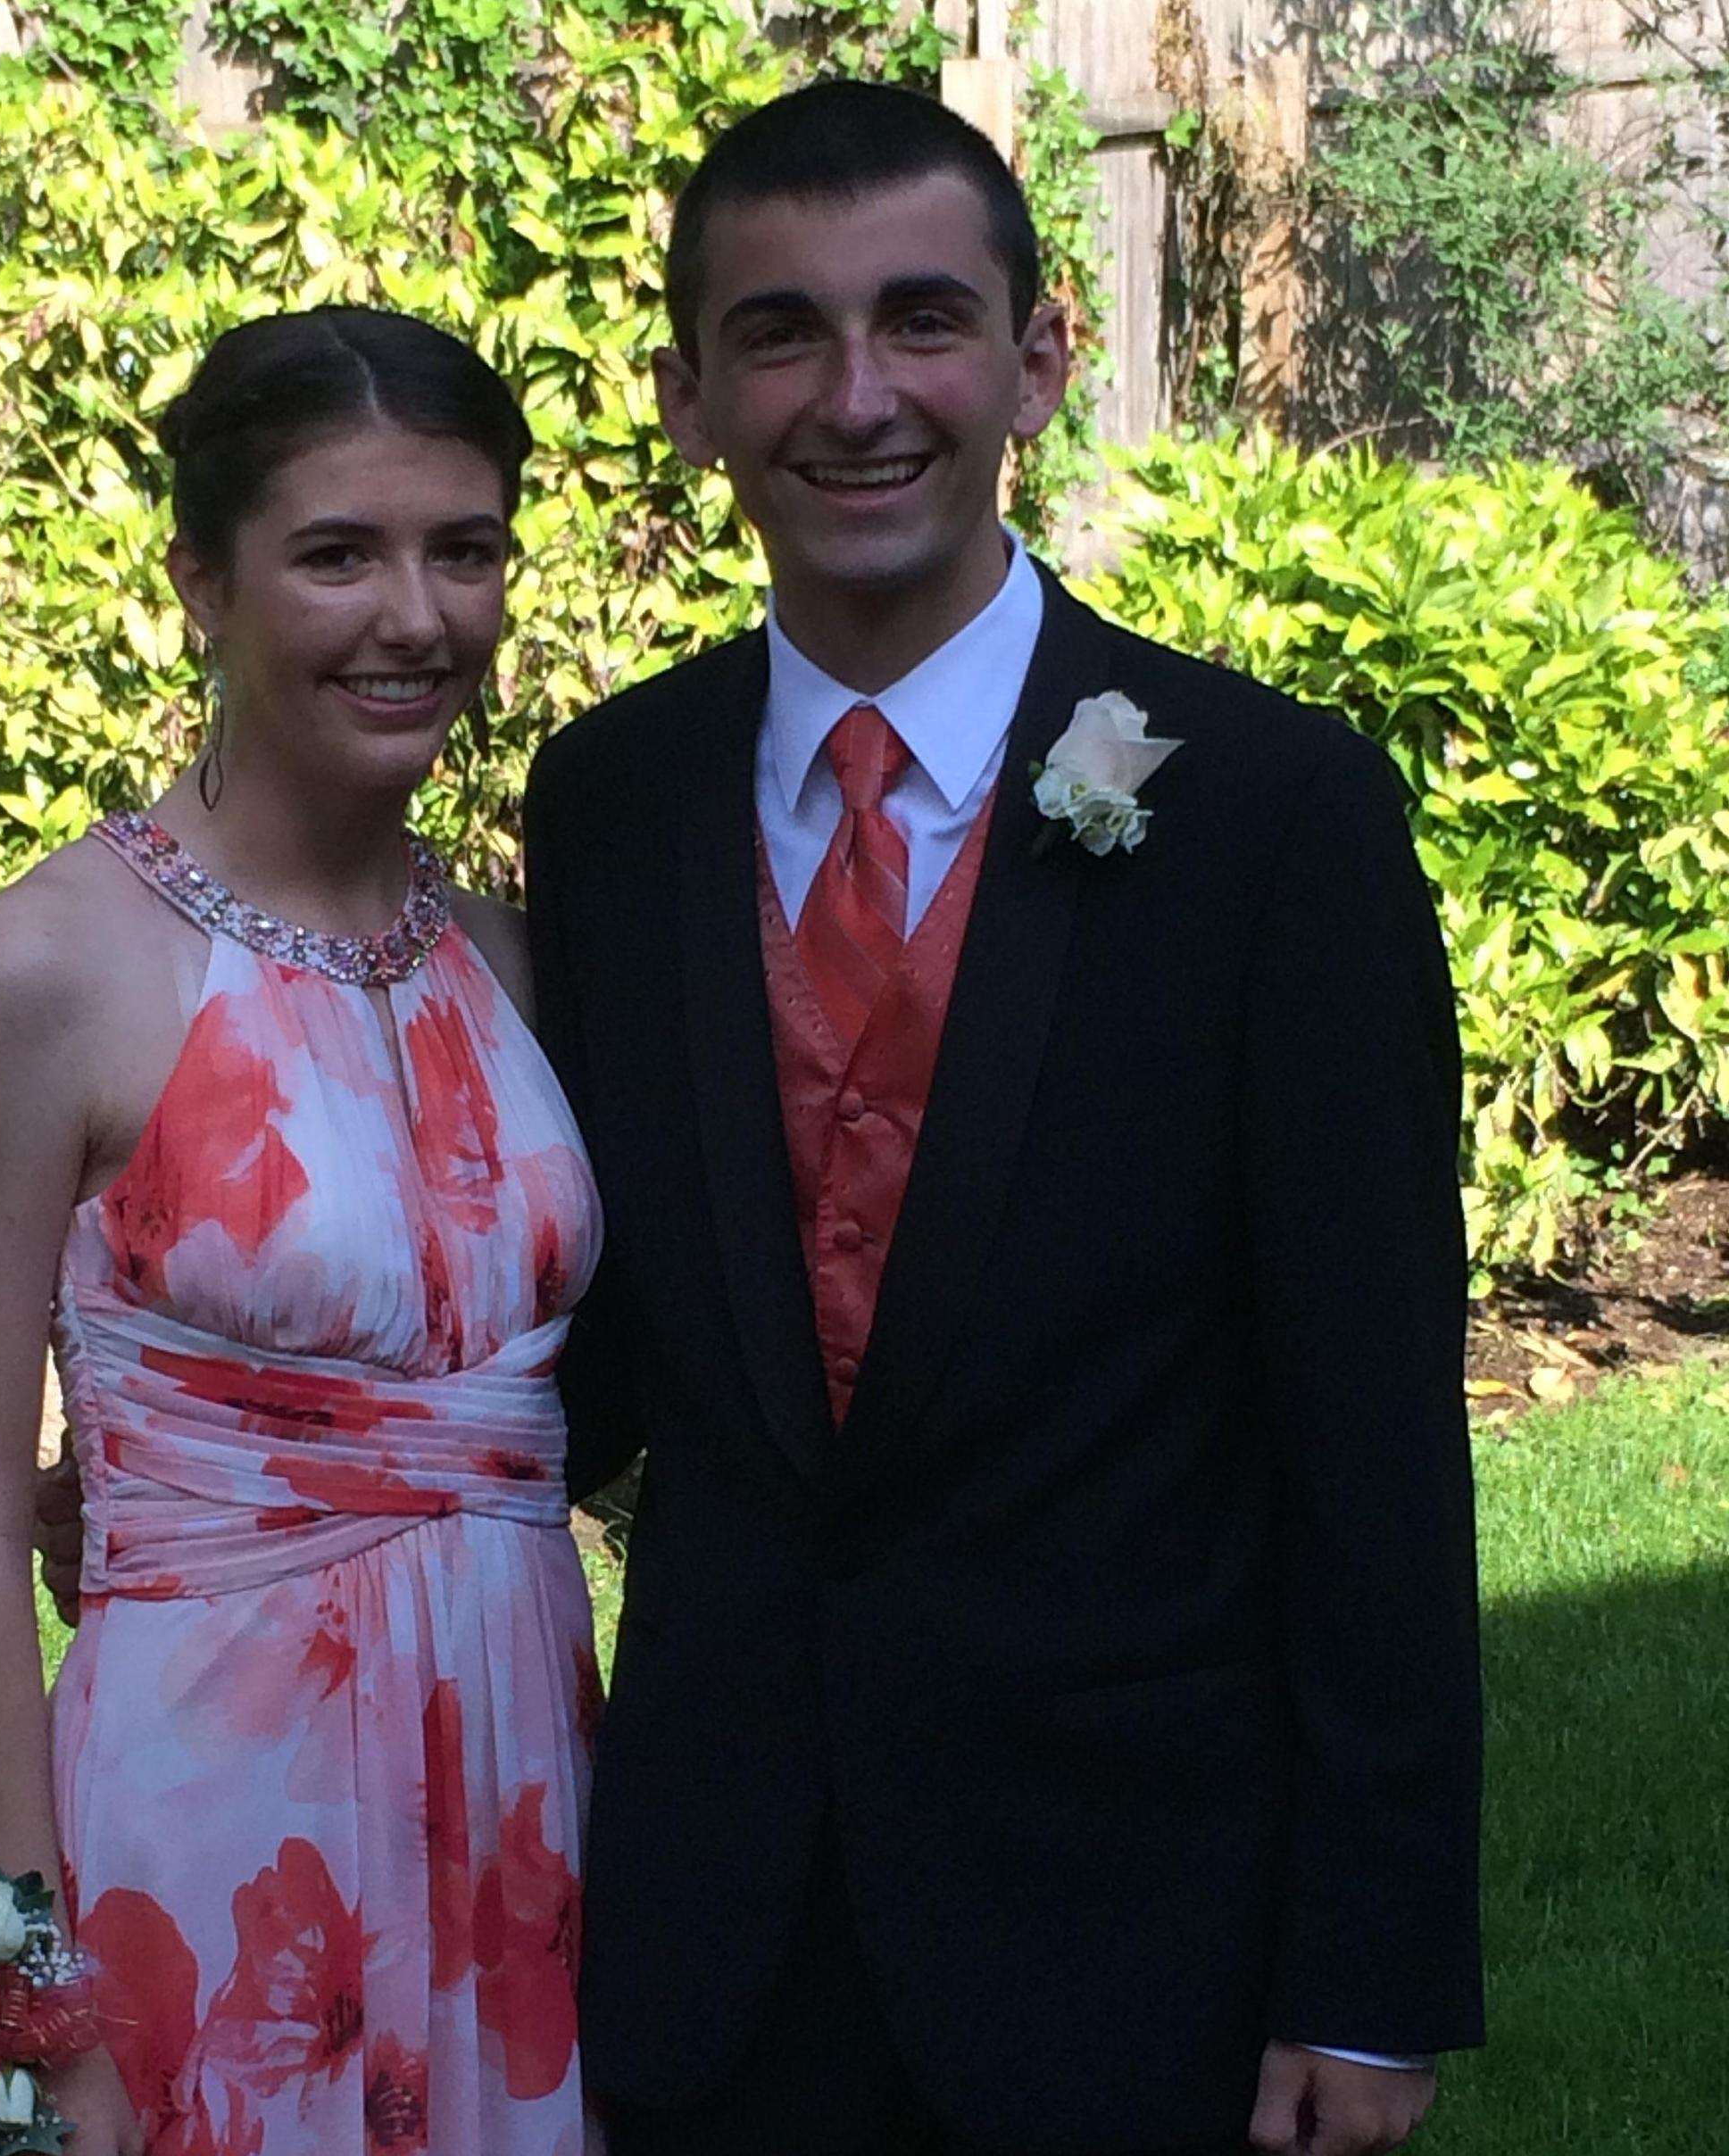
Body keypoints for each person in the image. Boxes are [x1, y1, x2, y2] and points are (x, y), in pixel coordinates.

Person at [520, 80, 1483, 2156]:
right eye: (778, 332)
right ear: (688, 397)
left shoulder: (1268, 816)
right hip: (721, 1931)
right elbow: (592, 1346)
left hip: (1137, 1931)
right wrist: (246, 1450)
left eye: (922, 319)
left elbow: (1375, 1439)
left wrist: (1368, 1961)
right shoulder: (609, 805)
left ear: (1038, 359)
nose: (855, 394)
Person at [0, 308, 603, 2156]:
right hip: (215, 1814)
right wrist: (21, 2002)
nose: (416, 616)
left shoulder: (516, 957)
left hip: (525, 1797)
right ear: (200, 582)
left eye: (464, 550)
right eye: (337, 554)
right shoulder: (45, 972)